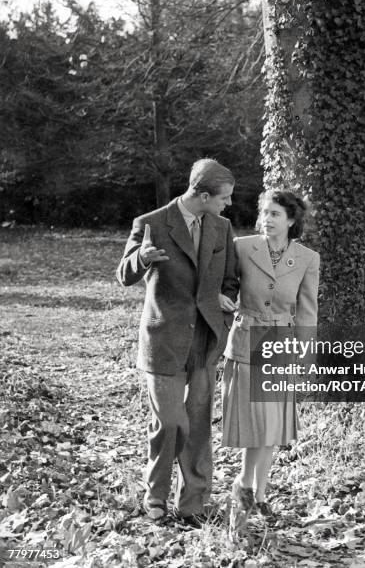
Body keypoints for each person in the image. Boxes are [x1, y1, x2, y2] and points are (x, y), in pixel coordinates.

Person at [116, 158, 238, 525]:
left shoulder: (222, 227)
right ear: (202, 195)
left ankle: (193, 503)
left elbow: (228, 280)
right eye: (224, 198)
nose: (228, 204)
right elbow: (123, 274)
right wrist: (141, 257)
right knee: (171, 422)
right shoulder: (151, 223)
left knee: (199, 424)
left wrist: (221, 305)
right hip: (163, 339)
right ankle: (155, 495)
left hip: (204, 340)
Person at [221, 189, 320, 532]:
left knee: (271, 428)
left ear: (291, 220)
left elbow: (307, 312)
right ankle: (243, 491)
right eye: (264, 212)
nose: (266, 218)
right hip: (248, 341)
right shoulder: (243, 247)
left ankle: (258, 493)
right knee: (258, 428)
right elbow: (227, 287)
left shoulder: (307, 258)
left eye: (275, 213)